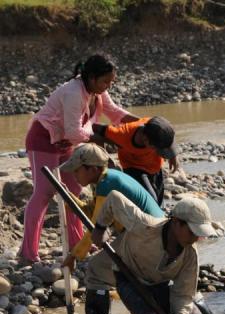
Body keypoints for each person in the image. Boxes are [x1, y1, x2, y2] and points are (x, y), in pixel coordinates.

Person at [19, 54, 138, 263]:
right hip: (43, 140)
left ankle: (76, 242)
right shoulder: (74, 92)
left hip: (66, 142)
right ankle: (28, 253)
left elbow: (115, 113)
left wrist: (143, 123)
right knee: (44, 193)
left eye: (111, 82)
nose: (108, 86)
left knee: (73, 191)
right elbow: (75, 131)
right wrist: (100, 137)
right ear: (91, 77)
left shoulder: (97, 92)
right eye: (105, 81)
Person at [91, 190, 219, 314]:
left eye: (199, 233)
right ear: (176, 223)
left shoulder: (190, 254)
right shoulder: (144, 225)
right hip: (129, 278)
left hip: (158, 283)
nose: (196, 238)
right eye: (192, 232)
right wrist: (100, 228)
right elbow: (113, 198)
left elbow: (183, 293)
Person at [59, 143, 164, 314]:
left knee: (97, 269)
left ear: (92, 168)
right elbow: (92, 212)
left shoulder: (107, 183)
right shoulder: (104, 180)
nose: (74, 175)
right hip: (144, 234)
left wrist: (74, 256)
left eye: (77, 170)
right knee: (106, 269)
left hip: (147, 237)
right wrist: (68, 197)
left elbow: (95, 227)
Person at [92, 116, 181, 206]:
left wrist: (173, 156)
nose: (160, 152)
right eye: (158, 149)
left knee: (159, 201)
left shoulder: (158, 127)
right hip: (134, 168)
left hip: (154, 166)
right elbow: (95, 128)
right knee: (151, 201)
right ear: (146, 140)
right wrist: (105, 156)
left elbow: (169, 135)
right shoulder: (122, 134)